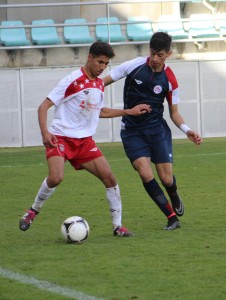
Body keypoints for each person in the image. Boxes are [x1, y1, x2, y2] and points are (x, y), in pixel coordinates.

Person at [19, 41, 151, 237]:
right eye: (100, 62)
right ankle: (32, 211)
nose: (102, 68)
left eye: (106, 64)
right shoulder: (72, 80)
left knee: (110, 179)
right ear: (89, 57)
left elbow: (99, 111)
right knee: (56, 177)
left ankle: (118, 227)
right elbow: (43, 107)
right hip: (61, 137)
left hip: (84, 142)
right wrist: (45, 133)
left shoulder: (99, 83)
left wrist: (128, 111)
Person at [104, 32, 203, 230]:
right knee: (144, 172)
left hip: (157, 130)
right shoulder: (134, 65)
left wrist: (187, 130)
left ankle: (173, 192)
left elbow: (174, 113)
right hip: (132, 131)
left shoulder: (170, 80)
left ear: (169, 54)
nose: (155, 59)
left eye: (160, 55)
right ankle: (171, 217)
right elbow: (102, 82)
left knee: (166, 178)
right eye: (152, 53)